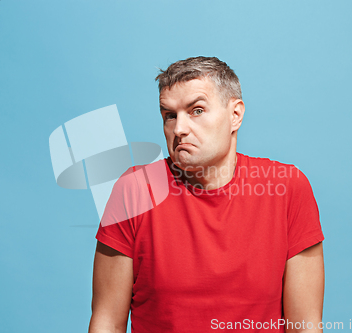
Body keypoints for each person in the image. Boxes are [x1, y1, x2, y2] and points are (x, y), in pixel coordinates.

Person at [88, 56, 325, 333]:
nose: (179, 129)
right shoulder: (135, 190)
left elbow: (305, 325)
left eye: (196, 110)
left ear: (235, 115)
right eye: (170, 115)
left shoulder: (287, 188)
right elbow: (107, 322)